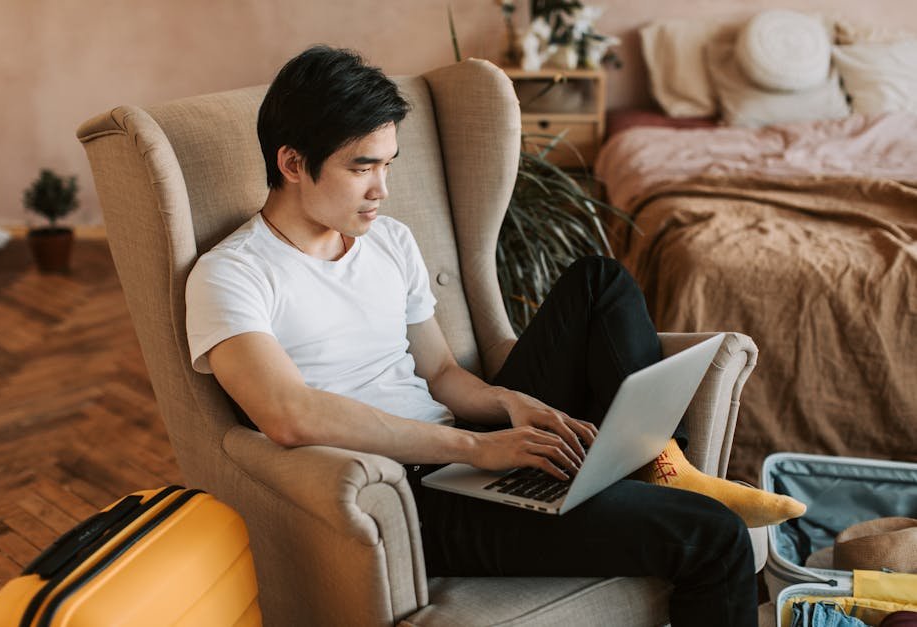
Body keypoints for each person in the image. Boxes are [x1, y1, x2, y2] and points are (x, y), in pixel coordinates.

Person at [185, 45, 805, 627]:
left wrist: (508, 405)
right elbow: (289, 417)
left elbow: (440, 374)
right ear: (292, 163)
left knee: (599, 281)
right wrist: (478, 453)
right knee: (713, 533)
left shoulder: (389, 241)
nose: (382, 190)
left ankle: (658, 465)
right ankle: (645, 482)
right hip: (404, 495)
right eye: (361, 168)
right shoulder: (233, 274)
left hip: (459, 447)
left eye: (388, 164)